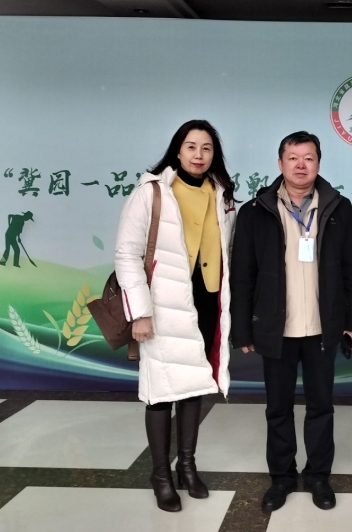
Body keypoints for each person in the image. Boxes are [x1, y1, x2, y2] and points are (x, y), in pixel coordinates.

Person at [230, 131, 352, 513]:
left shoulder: (339, 208)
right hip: (277, 330)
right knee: (278, 408)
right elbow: (242, 276)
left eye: (308, 158)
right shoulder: (255, 211)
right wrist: (244, 328)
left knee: (321, 406)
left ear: (318, 163)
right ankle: (282, 477)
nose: (301, 165)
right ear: (280, 163)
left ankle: (318, 476)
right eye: (293, 158)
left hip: (322, 328)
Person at [115, 119, 236, 512]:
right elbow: (127, 254)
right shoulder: (152, 192)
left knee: (194, 385)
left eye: (206, 148)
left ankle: (187, 466)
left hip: (206, 301)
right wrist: (140, 313)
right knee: (160, 391)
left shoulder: (222, 194)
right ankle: (160, 476)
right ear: (177, 151)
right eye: (191, 147)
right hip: (162, 307)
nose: (199, 155)